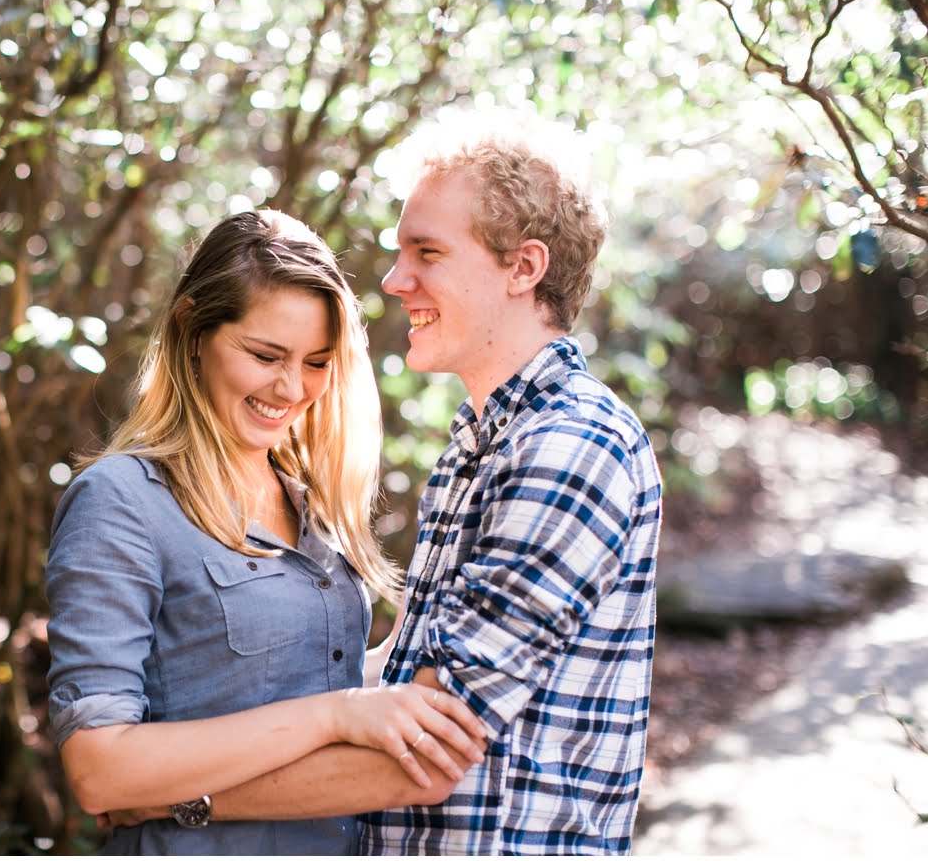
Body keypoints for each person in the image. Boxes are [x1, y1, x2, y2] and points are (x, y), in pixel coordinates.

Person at [108, 109, 661, 855]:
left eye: (426, 252)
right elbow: (398, 679)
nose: (396, 281)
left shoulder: (568, 447)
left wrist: (177, 800)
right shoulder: (483, 441)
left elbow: (422, 752)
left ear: (523, 268)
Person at [43, 209, 488, 855]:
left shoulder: (308, 496)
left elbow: (289, 676)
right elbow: (98, 769)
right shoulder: (121, 502)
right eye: (265, 355)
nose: (291, 389)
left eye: (316, 362)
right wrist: (338, 716)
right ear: (192, 330)